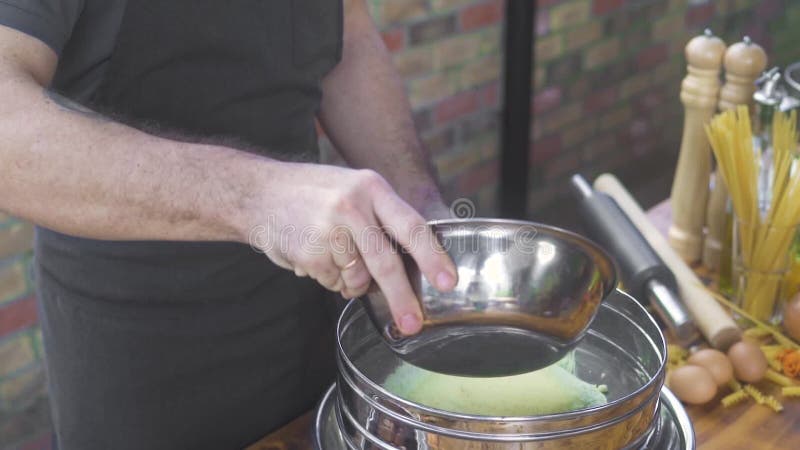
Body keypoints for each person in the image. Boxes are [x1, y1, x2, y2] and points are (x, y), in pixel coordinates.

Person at [0, 1, 458, 448]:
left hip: (308, 315)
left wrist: (419, 208)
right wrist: (260, 196)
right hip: (142, 355)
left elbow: (346, 32)